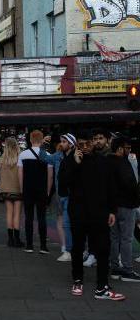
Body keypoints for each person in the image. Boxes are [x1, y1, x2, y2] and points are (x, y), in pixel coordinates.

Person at [58, 129, 125, 301]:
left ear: (94, 143)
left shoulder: (103, 162)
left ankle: (102, 286)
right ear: (77, 145)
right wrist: (74, 163)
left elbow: (111, 187)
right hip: (78, 212)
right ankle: (78, 280)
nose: (86, 146)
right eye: (81, 144)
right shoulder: (69, 161)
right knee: (78, 248)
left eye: (89, 142)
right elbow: (62, 187)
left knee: (103, 248)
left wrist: (112, 210)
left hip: (99, 212)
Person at [108, 136, 140, 282]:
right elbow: (130, 183)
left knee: (115, 237)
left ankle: (115, 267)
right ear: (120, 148)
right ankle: (127, 270)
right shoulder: (123, 162)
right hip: (127, 204)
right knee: (127, 238)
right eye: (127, 147)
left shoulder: (109, 161)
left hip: (113, 206)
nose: (129, 150)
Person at [19, 130, 54, 254]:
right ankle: (43, 246)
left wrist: (22, 190)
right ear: (42, 139)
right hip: (42, 189)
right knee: (42, 217)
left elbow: (20, 175)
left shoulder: (23, 155)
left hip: (28, 189)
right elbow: (50, 176)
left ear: (30, 140)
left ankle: (29, 245)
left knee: (28, 217)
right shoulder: (48, 155)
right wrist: (48, 191)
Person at [49, 134, 76, 261]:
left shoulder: (76, 156)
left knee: (69, 223)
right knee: (65, 223)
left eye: (64, 141)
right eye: (61, 141)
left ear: (71, 144)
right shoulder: (59, 155)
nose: (61, 143)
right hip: (62, 194)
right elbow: (44, 158)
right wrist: (44, 145)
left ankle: (71, 250)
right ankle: (67, 250)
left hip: (72, 195)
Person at [0, 138, 23, 247]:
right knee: (17, 214)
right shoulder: (19, 158)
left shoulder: (2, 159)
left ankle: (10, 239)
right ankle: (17, 239)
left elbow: (0, 175)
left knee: (9, 213)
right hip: (17, 189)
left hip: (6, 189)